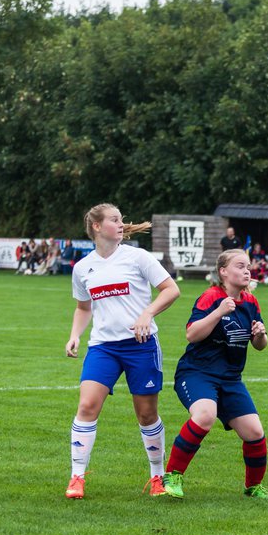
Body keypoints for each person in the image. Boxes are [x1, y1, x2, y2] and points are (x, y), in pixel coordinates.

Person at [63, 204, 180, 499]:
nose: (121, 224)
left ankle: (157, 477)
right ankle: (77, 477)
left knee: (146, 414)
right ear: (98, 227)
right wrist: (75, 335)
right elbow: (83, 307)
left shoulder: (137, 257)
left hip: (141, 347)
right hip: (103, 347)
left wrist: (147, 314)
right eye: (115, 220)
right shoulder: (83, 267)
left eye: (121, 220)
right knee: (87, 406)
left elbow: (171, 290)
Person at [162, 249, 268, 500]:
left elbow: (260, 346)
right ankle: (173, 475)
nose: (247, 271)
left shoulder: (250, 302)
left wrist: (261, 334)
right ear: (223, 271)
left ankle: (253, 487)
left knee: (254, 433)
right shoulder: (211, 297)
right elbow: (192, 334)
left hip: (230, 379)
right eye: (240, 266)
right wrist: (218, 312)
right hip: (197, 373)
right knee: (205, 415)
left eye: (248, 267)